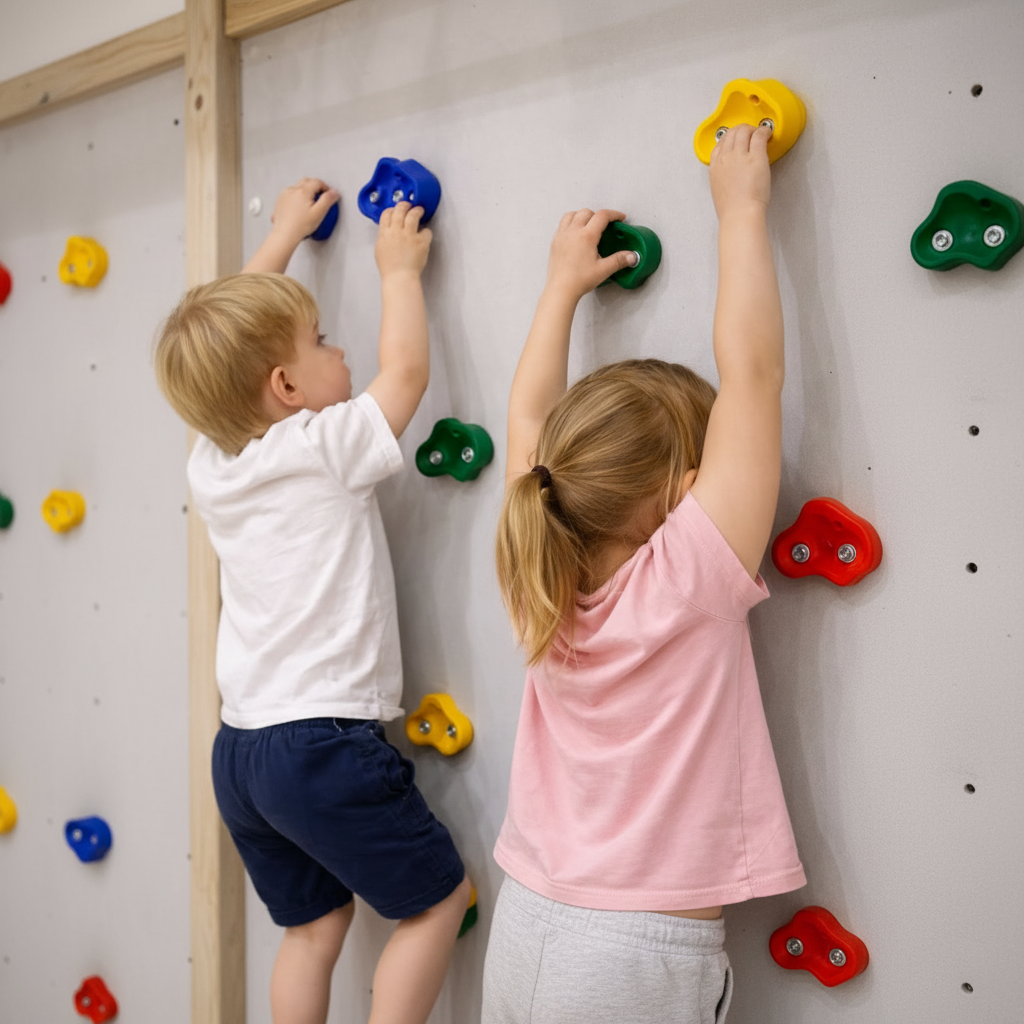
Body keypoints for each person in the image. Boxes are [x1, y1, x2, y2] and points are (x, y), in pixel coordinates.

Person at [484, 124, 806, 1024]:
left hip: (525, 923)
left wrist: (559, 288)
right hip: (630, 962)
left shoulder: (535, 570)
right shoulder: (691, 576)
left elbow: (527, 419)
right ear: (684, 492)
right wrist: (741, 209)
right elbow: (754, 376)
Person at [154, 178, 471, 1024]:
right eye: (324, 341)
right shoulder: (323, 447)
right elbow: (406, 374)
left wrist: (284, 237)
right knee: (437, 902)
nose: (342, 350)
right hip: (320, 746)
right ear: (286, 388)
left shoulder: (212, 462)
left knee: (314, 926)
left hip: (242, 754)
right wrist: (398, 270)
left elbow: (230, 343)